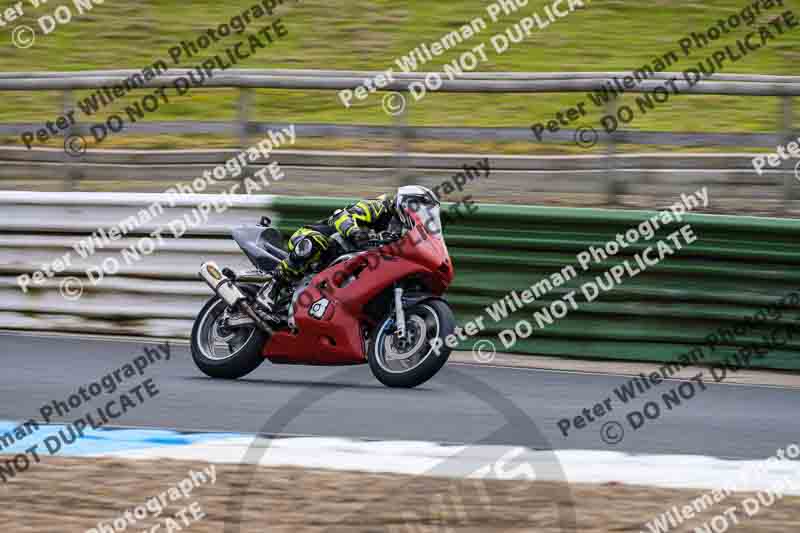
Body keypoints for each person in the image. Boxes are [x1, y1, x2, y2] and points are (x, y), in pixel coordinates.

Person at [256, 193, 399, 312]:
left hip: (343, 266)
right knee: (316, 241)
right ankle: (273, 286)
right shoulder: (378, 207)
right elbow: (341, 216)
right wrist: (354, 232)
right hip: (315, 239)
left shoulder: (400, 234)